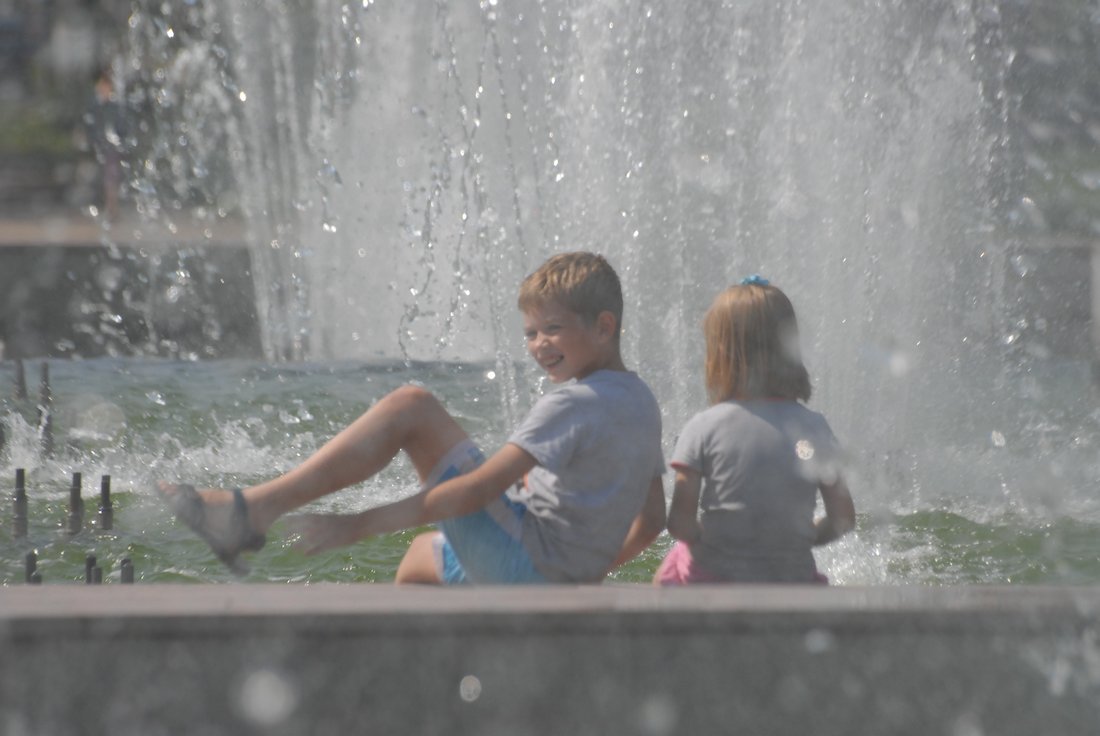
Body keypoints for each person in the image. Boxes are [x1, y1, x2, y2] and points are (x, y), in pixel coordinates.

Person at [160, 252, 666, 583]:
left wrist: (357, 525)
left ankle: (250, 511)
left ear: (604, 327)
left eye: (552, 329)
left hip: (523, 564)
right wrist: (584, 575)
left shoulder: (572, 403)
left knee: (412, 407)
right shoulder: (642, 402)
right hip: (545, 570)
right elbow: (653, 521)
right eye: (531, 333)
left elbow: (474, 492)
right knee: (424, 559)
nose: (538, 346)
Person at [654, 275, 855, 585]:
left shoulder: (703, 427)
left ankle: (663, 631)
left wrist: (711, 539)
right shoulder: (815, 428)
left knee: (675, 560)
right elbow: (843, 518)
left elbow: (680, 523)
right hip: (792, 580)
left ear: (720, 355)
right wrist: (799, 538)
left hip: (715, 578)